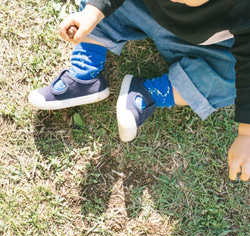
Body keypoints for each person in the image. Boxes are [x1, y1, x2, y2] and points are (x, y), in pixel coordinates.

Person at [28, 0, 250, 181]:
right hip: (141, 8)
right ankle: (86, 71)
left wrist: (246, 133)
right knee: (95, 9)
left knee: (232, 77)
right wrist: (92, 13)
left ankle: (151, 93)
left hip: (207, 44)